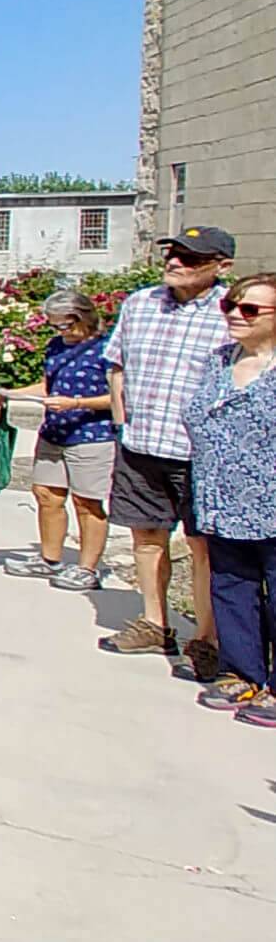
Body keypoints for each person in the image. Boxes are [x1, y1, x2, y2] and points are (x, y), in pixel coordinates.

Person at [97, 227, 234, 673]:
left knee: (203, 547)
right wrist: (121, 417)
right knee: (146, 537)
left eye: (191, 259)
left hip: (202, 453)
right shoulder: (141, 303)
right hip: (142, 445)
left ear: (221, 267)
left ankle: (207, 638)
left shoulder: (233, 312)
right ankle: (155, 625)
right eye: (173, 255)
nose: (175, 263)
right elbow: (117, 364)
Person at [188, 273, 276, 727]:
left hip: (272, 504)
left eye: (250, 310)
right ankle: (242, 672)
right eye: (231, 307)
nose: (235, 316)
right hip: (221, 500)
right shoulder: (219, 361)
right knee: (232, 589)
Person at [0, 290, 115, 589]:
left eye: (64, 325)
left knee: (87, 502)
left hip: (92, 435)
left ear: (84, 318)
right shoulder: (57, 346)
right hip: (54, 432)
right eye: (54, 326)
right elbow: (50, 385)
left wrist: (75, 403)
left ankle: (87, 568)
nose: (60, 332)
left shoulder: (108, 348)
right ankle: (49, 559)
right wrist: (13, 394)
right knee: (46, 495)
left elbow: (120, 397)